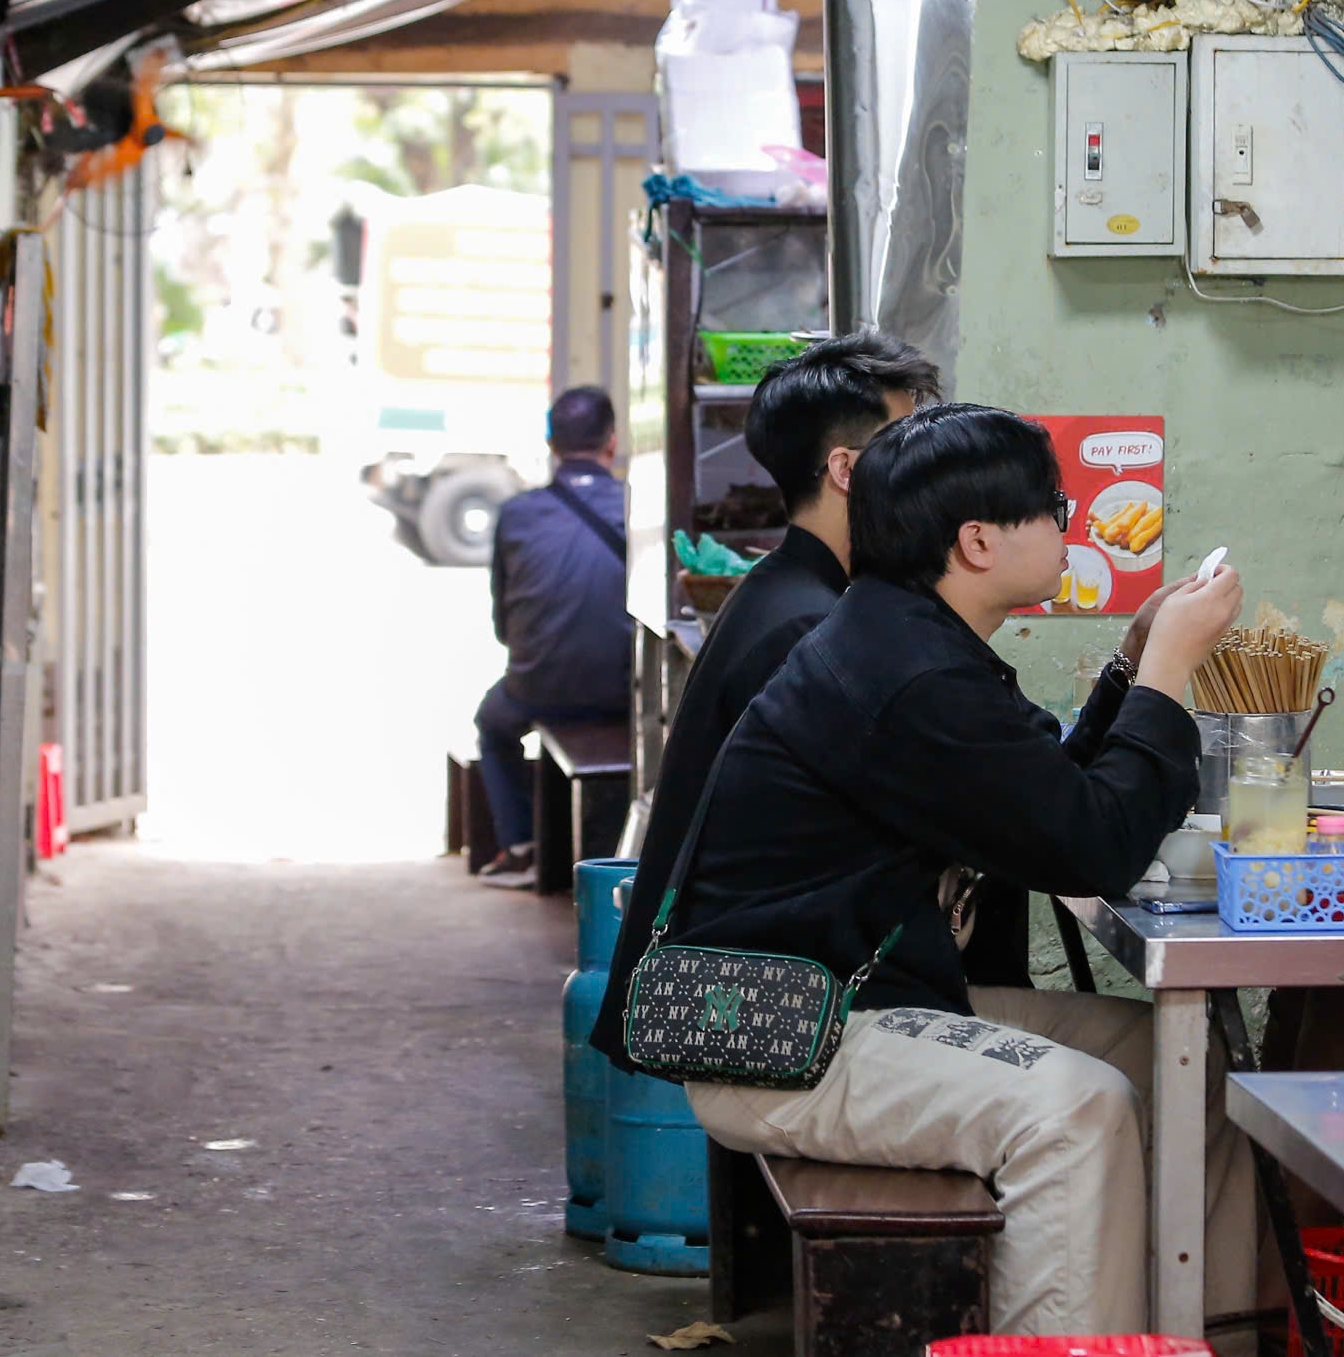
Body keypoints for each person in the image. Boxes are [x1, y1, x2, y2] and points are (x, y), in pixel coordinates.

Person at [649, 404, 1256, 1334]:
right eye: (1053, 507)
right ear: (977, 540)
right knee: (1075, 1108)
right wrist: (1173, 668)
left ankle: (1194, 1334)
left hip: (860, 997)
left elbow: (1041, 804)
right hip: (785, 1032)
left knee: (1186, 1061)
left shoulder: (909, 637)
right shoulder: (908, 673)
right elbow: (1091, 845)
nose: (1069, 524)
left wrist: (1134, 667)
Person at [591, 331, 941, 1072]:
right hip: (758, 1006)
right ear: (847, 470)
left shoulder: (785, 587)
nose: (930, 474)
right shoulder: (806, 624)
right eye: (907, 447)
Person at [471, 386, 630, 889]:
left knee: (492, 726)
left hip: (538, 685)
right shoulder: (636, 504)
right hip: (624, 690)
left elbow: (502, 618)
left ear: (551, 443)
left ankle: (520, 850)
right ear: (612, 440)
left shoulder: (517, 514)